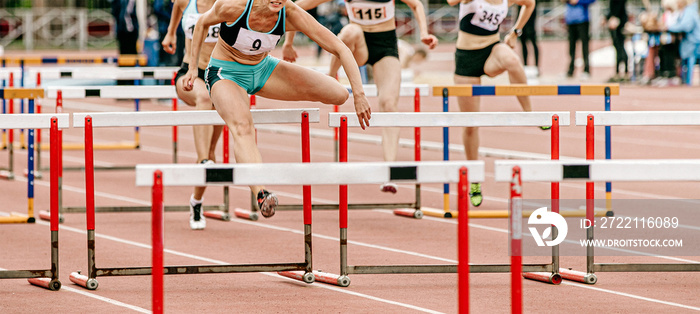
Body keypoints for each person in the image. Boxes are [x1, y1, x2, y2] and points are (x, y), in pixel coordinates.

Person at [184, 0, 372, 218]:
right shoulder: (234, 6)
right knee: (243, 127)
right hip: (226, 73)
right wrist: (191, 69)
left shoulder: (289, 13)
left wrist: (359, 94)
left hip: (263, 69)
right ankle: (261, 193)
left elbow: (340, 47)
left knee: (338, 94)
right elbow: (201, 24)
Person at [289, 0, 438, 194]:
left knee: (389, 104)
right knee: (351, 31)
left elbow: (416, 4)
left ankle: (389, 172)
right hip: (359, 46)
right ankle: (332, 75)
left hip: (385, 47)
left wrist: (424, 32)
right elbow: (295, 7)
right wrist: (289, 43)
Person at [447, 0, 535, 207]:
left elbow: (529, 3)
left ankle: (529, 112)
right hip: (466, 59)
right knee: (471, 124)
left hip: (491, 51)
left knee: (512, 60)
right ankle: (475, 180)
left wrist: (515, 32)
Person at [162, 0, 223, 230]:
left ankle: (196, 201)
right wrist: (171, 34)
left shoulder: (227, 4)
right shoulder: (186, 1)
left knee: (210, 153)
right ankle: (204, 160)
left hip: (219, 78)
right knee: (204, 98)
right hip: (189, 74)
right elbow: (177, 9)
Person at [665, 0, 700, 85]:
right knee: (686, 61)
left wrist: (668, 27)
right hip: (689, 41)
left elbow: (686, 26)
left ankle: (688, 82)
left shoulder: (689, 11)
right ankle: (686, 81)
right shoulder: (685, 11)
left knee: (690, 61)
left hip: (693, 42)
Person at [563, 0, 596, 80]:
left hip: (583, 20)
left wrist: (578, 1)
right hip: (570, 20)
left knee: (585, 46)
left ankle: (586, 70)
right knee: (571, 47)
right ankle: (571, 70)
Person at [605, 0, 629, 82]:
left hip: (618, 21)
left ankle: (625, 72)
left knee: (620, 46)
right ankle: (618, 72)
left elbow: (619, 6)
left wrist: (614, 17)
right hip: (616, 19)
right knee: (617, 46)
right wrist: (607, 17)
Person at [519, 0, 539, 75]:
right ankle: (525, 66)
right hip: (521, 25)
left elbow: (532, 8)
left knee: (534, 44)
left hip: (530, 23)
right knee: (523, 45)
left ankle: (536, 67)